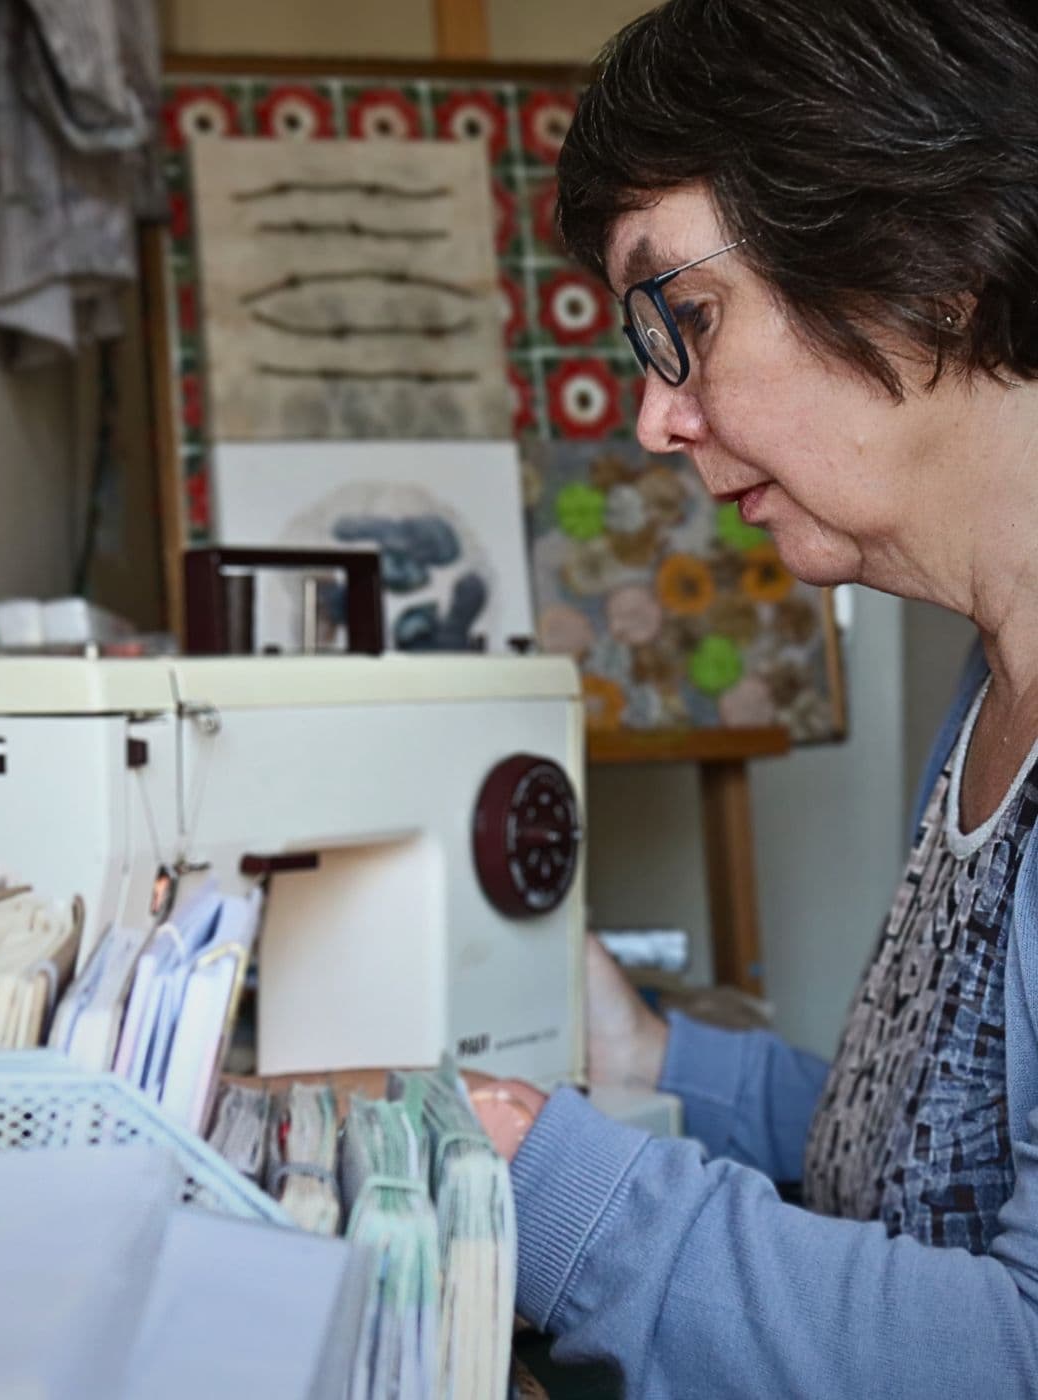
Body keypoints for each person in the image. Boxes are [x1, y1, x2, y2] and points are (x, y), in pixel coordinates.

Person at [466, 1, 1038, 1394]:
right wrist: (649, 1054)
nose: (658, 415)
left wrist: (549, 1185)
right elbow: (922, 1166)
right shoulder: (995, 680)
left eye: (686, 315)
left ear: (923, 257)